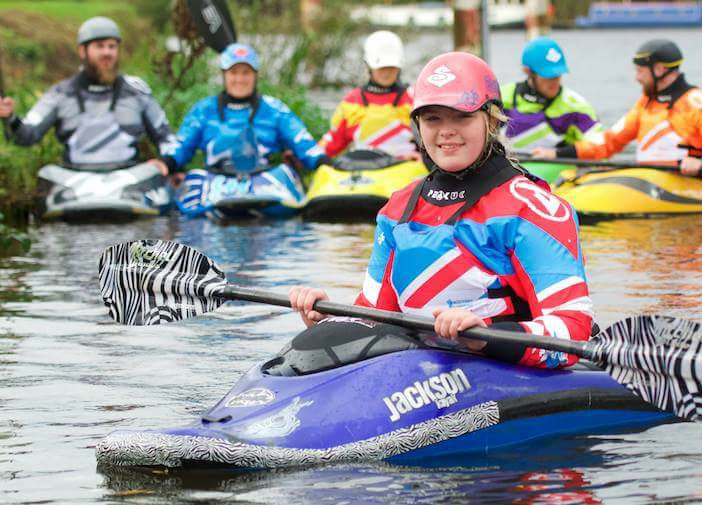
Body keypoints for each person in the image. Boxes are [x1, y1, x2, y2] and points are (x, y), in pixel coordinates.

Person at [290, 52, 594, 369]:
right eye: (433, 118)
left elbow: (572, 331)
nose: (446, 130)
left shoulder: (534, 208)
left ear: (491, 120)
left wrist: (485, 337)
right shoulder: (398, 208)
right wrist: (329, 319)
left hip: (505, 374)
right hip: (421, 373)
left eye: (462, 116)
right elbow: (374, 315)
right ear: (418, 126)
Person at [533, 39, 702, 179]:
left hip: (694, 182)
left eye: (640, 71)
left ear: (659, 70)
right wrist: (557, 154)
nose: (636, 78)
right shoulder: (645, 104)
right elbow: (608, 142)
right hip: (651, 182)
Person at [0, 17, 174, 174]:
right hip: (76, 183)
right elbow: (26, 136)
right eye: (100, 46)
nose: (107, 53)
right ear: (82, 51)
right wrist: (9, 117)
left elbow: (166, 137)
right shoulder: (60, 93)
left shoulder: (137, 91)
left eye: (112, 46)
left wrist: (168, 163)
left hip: (130, 183)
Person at [162, 43, 326, 186]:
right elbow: (182, 145)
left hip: (263, 181)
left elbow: (301, 141)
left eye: (246, 72)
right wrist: (166, 163)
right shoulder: (204, 109)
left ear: (255, 75)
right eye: (233, 72)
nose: (239, 79)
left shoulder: (274, 109)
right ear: (224, 75)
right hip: (215, 181)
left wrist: (322, 162)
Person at [318, 30, 418, 160]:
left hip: (408, 168)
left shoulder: (415, 98)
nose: (387, 73)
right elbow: (333, 141)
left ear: (399, 67)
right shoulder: (352, 102)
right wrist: (309, 157)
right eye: (381, 67)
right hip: (365, 167)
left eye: (391, 67)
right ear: (369, 66)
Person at [502, 36, 603, 154]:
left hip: (558, 163)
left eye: (558, 74)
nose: (555, 81)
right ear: (528, 71)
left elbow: (600, 145)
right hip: (508, 163)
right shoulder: (501, 97)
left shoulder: (577, 108)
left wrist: (557, 154)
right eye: (548, 75)